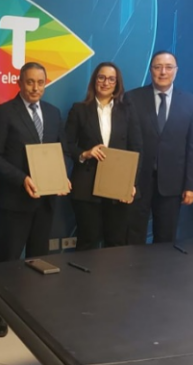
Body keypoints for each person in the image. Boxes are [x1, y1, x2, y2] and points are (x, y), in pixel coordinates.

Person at [0, 62, 68, 337]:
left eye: (40, 82)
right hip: (14, 200)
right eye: (30, 82)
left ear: (46, 83)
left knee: (38, 258)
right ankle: (2, 312)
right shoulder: (3, 113)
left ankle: (34, 309)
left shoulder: (53, 113)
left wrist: (62, 177)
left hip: (45, 201)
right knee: (9, 259)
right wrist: (22, 179)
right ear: (19, 83)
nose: (35, 88)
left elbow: (59, 151)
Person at [125, 51, 193, 244]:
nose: (163, 72)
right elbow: (124, 141)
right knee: (133, 237)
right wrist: (126, 181)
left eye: (168, 67)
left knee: (166, 240)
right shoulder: (132, 98)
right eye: (157, 67)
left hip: (173, 184)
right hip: (137, 183)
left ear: (176, 70)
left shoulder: (191, 102)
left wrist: (191, 185)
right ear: (150, 70)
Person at [65, 62, 142, 250]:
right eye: (101, 77)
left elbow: (136, 148)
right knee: (88, 241)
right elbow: (66, 145)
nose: (106, 82)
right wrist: (85, 153)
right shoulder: (79, 109)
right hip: (86, 186)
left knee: (115, 242)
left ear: (117, 84)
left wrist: (131, 184)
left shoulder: (127, 111)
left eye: (111, 79)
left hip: (118, 185)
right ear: (94, 80)